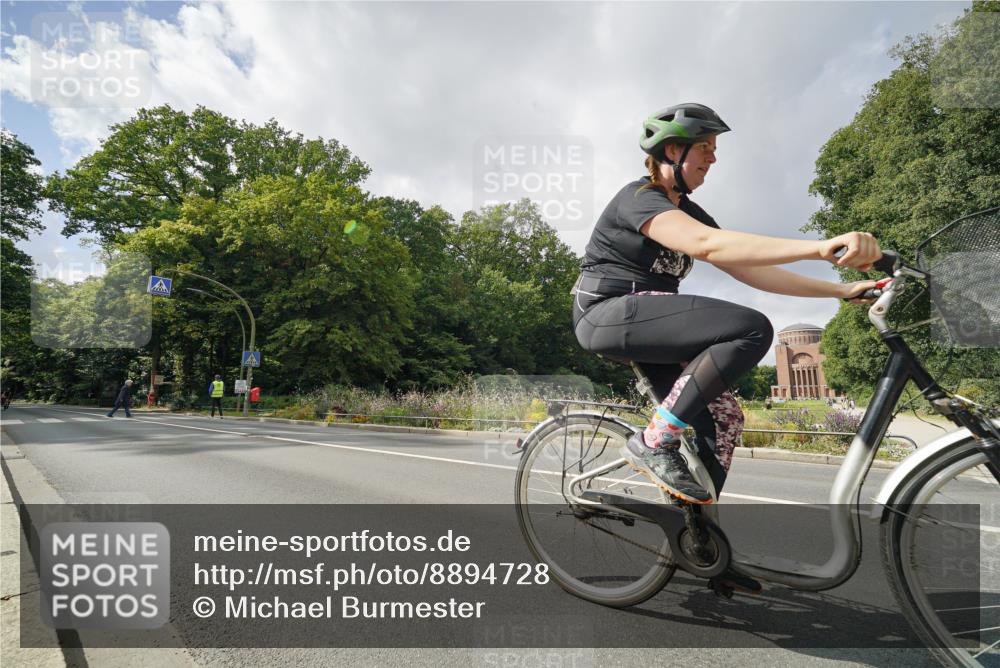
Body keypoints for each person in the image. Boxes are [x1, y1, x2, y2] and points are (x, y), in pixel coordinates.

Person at [573, 103, 881, 506]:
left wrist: (840, 290)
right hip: (606, 311)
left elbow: (751, 269)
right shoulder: (639, 198)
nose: (713, 158)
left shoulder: (691, 212)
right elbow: (707, 244)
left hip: (649, 323)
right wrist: (819, 248)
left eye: (714, 149)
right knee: (750, 328)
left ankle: (695, 534)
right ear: (672, 151)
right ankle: (653, 441)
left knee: (724, 421)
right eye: (705, 147)